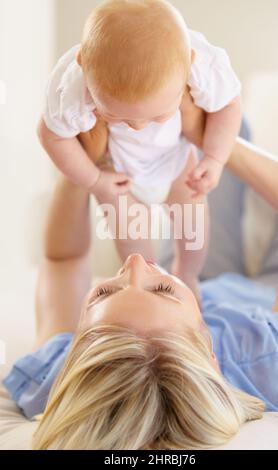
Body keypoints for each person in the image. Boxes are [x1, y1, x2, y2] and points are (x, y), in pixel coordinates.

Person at [3, 121, 278, 449]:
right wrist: (222, 145)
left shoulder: (55, 377)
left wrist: (84, 167)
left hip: (189, 274)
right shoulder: (268, 362)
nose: (134, 264)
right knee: (219, 135)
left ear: (72, 351)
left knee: (212, 128)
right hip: (270, 295)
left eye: (105, 290)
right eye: (159, 289)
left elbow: (63, 260)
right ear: (210, 350)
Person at [37, 0, 242, 300]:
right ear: (83, 64)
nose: (136, 126)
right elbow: (51, 136)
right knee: (133, 247)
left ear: (189, 65)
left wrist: (215, 157)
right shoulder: (71, 86)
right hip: (115, 168)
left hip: (176, 160)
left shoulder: (200, 62)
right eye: (117, 116)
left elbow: (228, 104)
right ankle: (148, 291)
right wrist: (94, 179)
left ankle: (187, 274)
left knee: (193, 226)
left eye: (157, 115)